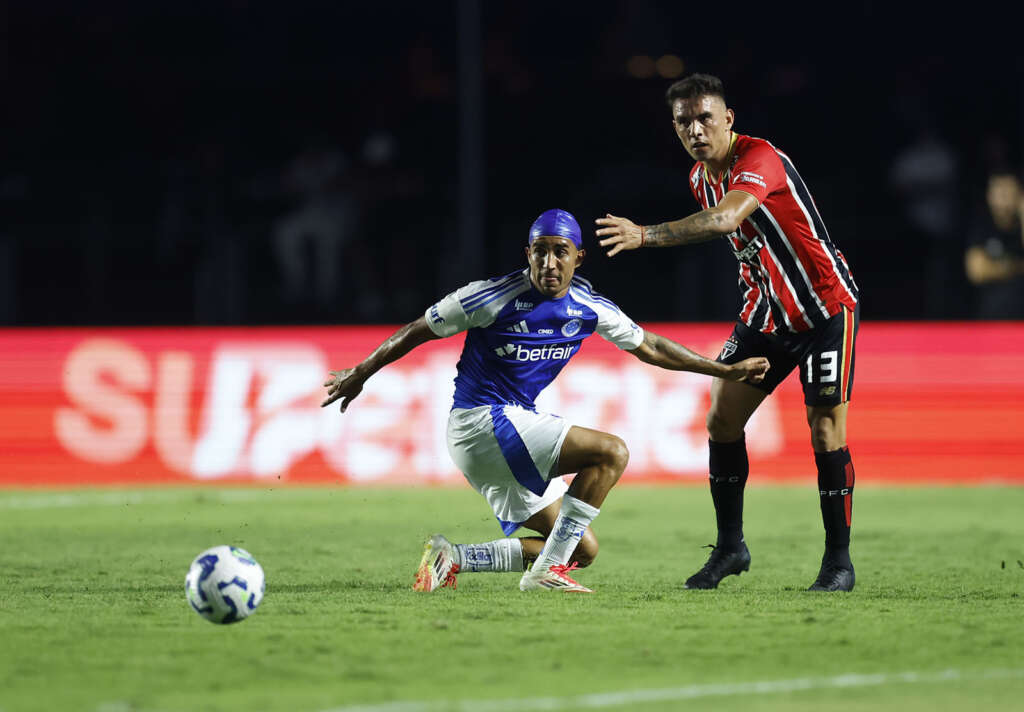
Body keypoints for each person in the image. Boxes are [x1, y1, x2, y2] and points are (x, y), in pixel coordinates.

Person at [322, 208, 769, 593]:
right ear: (528, 253)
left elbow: (649, 346)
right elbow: (418, 329)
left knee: (582, 548)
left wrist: (723, 370)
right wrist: (360, 373)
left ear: (578, 257)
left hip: (504, 431)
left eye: (560, 251)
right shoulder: (491, 297)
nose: (549, 262)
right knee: (612, 451)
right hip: (480, 422)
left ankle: (453, 558)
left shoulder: (588, 307)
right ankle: (546, 572)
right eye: (540, 251)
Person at [596, 73, 861, 592]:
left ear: (728, 120)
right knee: (721, 419)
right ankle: (731, 548)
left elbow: (724, 221)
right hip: (766, 313)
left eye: (704, 118)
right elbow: (745, 244)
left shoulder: (760, 158)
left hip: (824, 310)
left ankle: (838, 562)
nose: (695, 130)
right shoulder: (700, 176)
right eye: (683, 123)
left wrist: (644, 234)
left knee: (825, 430)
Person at [964, 171, 1024, 319]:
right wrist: (1017, 266)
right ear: (989, 196)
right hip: (992, 317)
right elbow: (977, 272)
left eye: (1008, 192)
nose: (1003, 199)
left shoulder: (1020, 226)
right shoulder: (983, 227)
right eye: (998, 192)